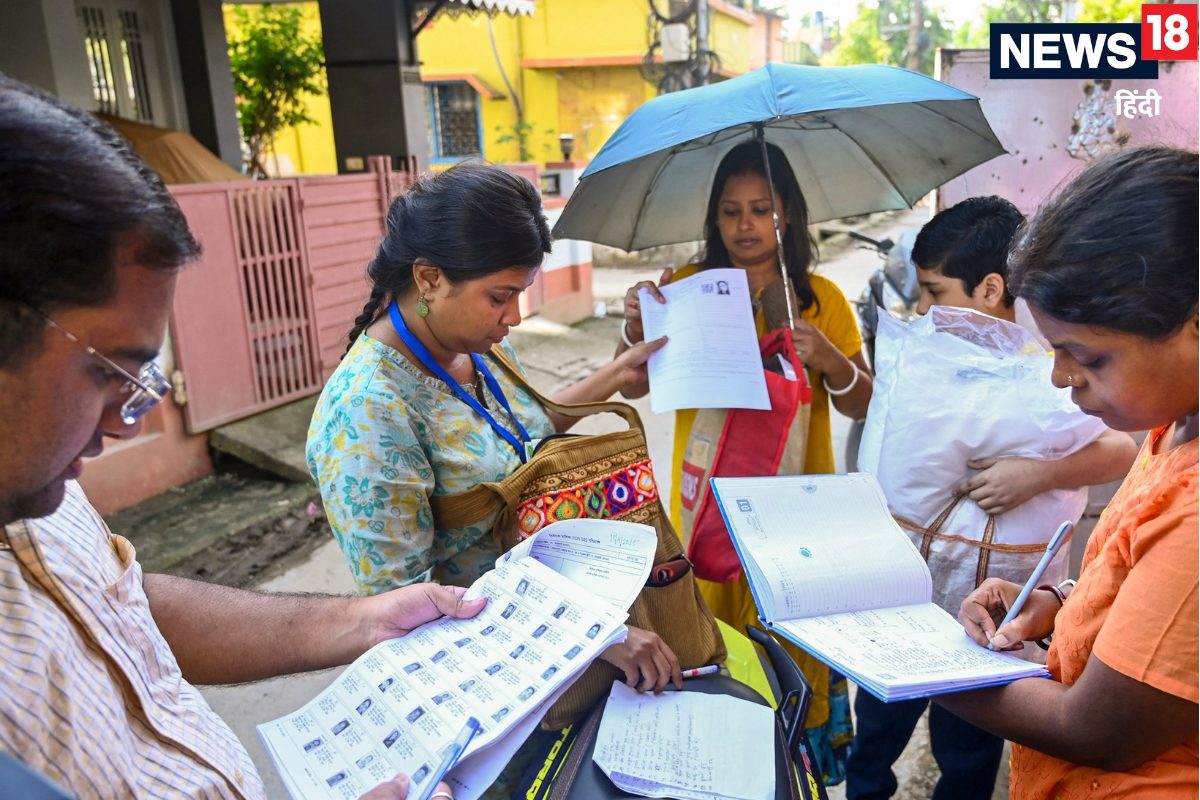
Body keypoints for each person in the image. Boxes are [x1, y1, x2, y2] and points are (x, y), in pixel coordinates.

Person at [0, 75, 480, 800]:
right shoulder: (370, 399)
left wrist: (363, 621)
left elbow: (118, 603)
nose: (125, 421)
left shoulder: (38, 492)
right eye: (108, 373)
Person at [846, 196, 1139, 800]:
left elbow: (1122, 451)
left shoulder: (1049, 368)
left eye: (935, 291)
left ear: (989, 289)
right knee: (874, 735)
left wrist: (1035, 475)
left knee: (968, 752)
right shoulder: (921, 358)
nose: (923, 309)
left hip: (990, 618)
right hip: (901, 598)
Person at [936, 146, 1198, 798]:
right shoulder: (1174, 427)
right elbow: (1148, 588)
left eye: (1087, 358)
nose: (1060, 379)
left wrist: (921, 669)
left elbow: (1097, 730)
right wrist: (1058, 606)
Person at [619, 140, 872, 782]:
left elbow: (864, 401)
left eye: (761, 209)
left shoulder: (822, 302)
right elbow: (635, 387)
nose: (745, 226)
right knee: (707, 644)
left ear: (787, 214)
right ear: (715, 217)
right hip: (703, 514)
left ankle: (795, 776)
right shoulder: (683, 289)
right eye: (731, 211)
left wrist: (830, 361)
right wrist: (634, 327)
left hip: (794, 517)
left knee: (787, 640)